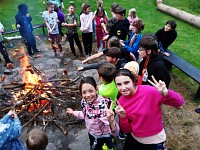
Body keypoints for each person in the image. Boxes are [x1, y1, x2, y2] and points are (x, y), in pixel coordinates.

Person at [113, 68, 184, 150]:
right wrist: (123, 117)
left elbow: (179, 103)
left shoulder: (149, 91)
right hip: (134, 138)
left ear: (133, 81)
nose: (123, 88)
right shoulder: (121, 100)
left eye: (126, 82)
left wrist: (167, 93)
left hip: (154, 141)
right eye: (119, 84)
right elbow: (127, 130)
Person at [66, 76, 119, 150]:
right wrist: (73, 112)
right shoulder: (84, 101)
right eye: (84, 92)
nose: (87, 95)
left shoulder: (102, 108)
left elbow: (115, 133)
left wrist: (111, 121)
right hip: (92, 132)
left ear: (96, 90)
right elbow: (86, 115)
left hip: (100, 136)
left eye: (91, 91)